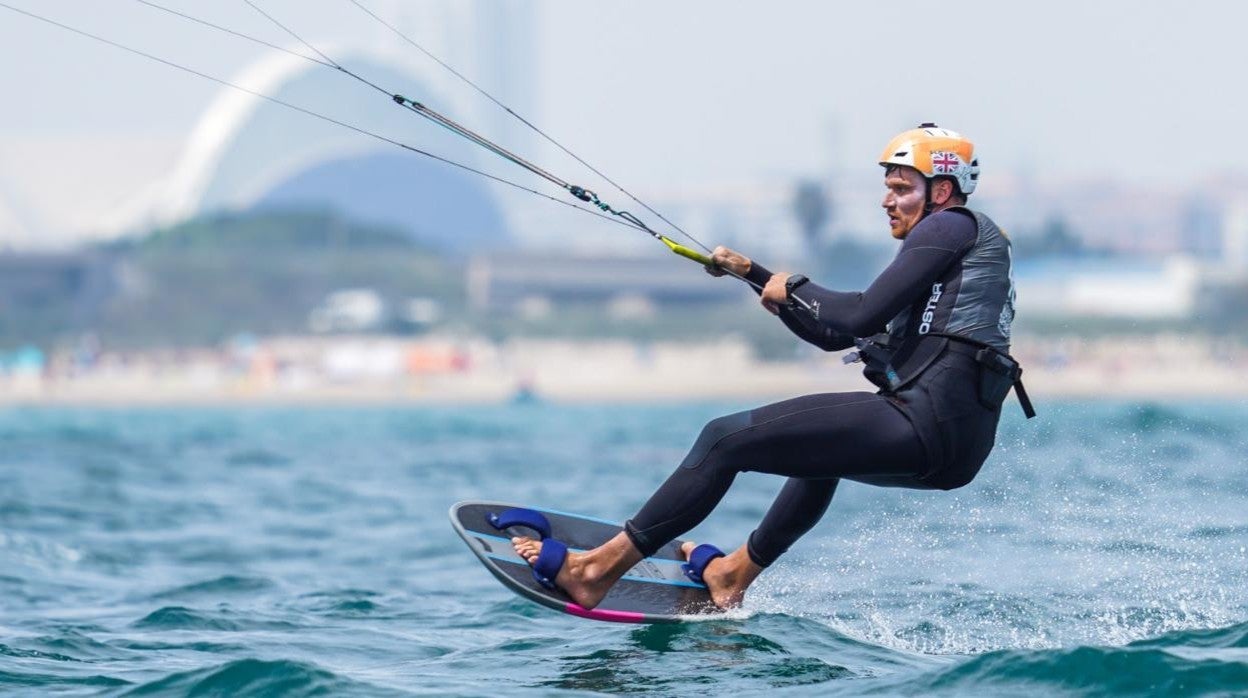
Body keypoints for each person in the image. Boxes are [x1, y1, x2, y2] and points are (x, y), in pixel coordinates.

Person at [512, 123, 1033, 610]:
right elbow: (838, 333)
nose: (886, 200)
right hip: (957, 446)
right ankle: (732, 576)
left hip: (925, 421)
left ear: (941, 191)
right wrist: (756, 276)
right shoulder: (954, 264)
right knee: (820, 456)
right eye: (887, 187)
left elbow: (860, 312)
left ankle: (595, 571)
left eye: (900, 187)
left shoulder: (951, 226)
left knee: (722, 440)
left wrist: (793, 286)